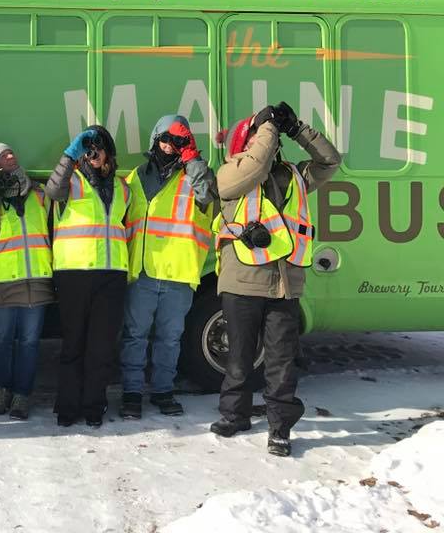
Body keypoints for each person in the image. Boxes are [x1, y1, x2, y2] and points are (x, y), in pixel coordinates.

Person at [209, 102, 340, 457]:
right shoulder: (230, 172)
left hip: (285, 283)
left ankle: (279, 428)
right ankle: (233, 415)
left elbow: (330, 160)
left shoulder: (296, 175)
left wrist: (296, 128)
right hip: (243, 281)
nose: (268, 142)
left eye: (270, 137)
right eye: (259, 137)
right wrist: (265, 124)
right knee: (239, 357)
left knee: (282, 362)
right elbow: (255, 164)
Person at [119, 115, 216, 419]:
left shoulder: (195, 178)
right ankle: (132, 393)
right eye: (165, 139)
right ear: (154, 140)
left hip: (178, 273)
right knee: (135, 336)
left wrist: (194, 156)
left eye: (177, 142)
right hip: (143, 272)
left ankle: (163, 391)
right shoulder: (136, 177)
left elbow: (207, 196)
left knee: (169, 339)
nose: (169, 147)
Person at [46, 125, 130, 428]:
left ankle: (94, 404)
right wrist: (70, 154)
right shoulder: (72, 182)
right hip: (74, 274)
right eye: (89, 149)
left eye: (99, 148)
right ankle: (67, 407)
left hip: (111, 275)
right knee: (73, 345)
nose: (94, 154)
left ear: (109, 152)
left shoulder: (123, 188)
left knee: (101, 347)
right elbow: (52, 190)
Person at [0, 143, 55, 420]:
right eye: (1, 155)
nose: (9, 156)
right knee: (4, 341)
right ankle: (2, 392)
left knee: (30, 342)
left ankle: (22, 396)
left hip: (37, 278)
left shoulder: (39, 194)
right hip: (4, 280)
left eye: (11, 152)